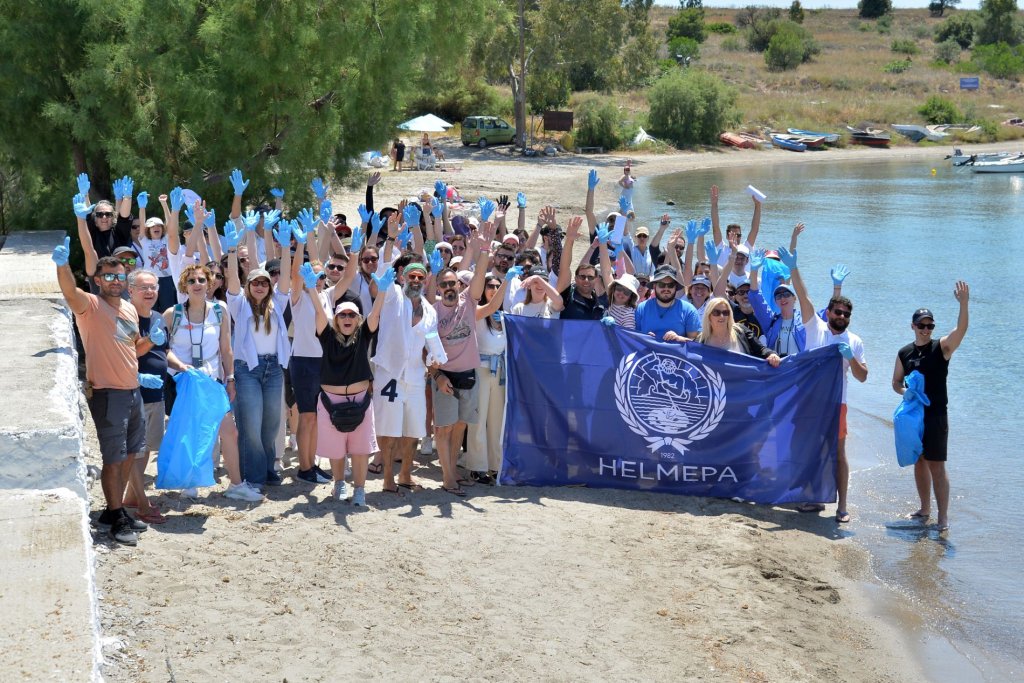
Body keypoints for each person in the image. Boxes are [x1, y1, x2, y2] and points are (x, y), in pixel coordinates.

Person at [53, 239, 150, 545]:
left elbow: (132, 347)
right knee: (113, 458)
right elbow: (70, 292)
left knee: (130, 454)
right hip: (109, 394)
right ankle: (117, 517)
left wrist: (152, 343)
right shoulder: (91, 306)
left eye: (120, 276)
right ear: (98, 280)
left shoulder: (129, 309)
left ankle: (113, 510)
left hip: (133, 391)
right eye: (108, 276)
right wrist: (62, 266)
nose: (115, 281)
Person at [164, 262, 262, 502]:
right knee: (190, 432)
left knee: (229, 431)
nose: (197, 284)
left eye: (201, 280)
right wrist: (181, 366)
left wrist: (230, 379)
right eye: (191, 281)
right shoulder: (172, 314)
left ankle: (236, 484)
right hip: (184, 381)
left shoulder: (220, 311)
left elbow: (226, 349)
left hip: (212, 380)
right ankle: (189, 483)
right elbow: (163, 349)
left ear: (209, 283)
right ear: (184, 285)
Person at [786, 245, 867, 523]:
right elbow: (803, 296)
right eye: (837, 312)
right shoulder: (815, 328)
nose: (841, 317)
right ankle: (812, 496)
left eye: (846, 314)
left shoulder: (853, 341)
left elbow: (863, 376)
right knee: (807, 449)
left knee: (838, 454)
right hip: (809, 401)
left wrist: (850, 358)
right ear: (828, 312)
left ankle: (842, 506)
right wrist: (794, 268)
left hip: (836, 405)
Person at [303, 263, 390, 506]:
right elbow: (319, 313)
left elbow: (375, 315)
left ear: (358, 319)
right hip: (330, 403)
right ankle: (339, 484)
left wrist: (382, 292)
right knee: (336, 449)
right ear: (336, 319)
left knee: (360, 450)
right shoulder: (327, 336)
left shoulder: (363, 335)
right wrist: (312, 290)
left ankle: (359, 490)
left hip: (360, 402)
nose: (347, 318)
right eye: (342, 315)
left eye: (352, 315)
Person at [892, 283, 969, 533]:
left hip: (936, 415)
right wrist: (905, 392)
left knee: (936, 464)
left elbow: (961, 330)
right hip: (914, 417)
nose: (926, 329)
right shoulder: (904, 353)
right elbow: (895, 382)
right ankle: (924, 509)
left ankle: (943, 517)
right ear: (913, 326)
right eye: (921, 325)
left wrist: (964, 304)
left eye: (930, 326)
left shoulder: (941, 348)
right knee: (919, 461)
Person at [430, 227, 501, 495]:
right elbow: (427, 350)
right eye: (444, 284)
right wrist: (438, 376)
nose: (449, 288)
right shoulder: (433, 312)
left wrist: (483, 250)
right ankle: (448, 477)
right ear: (439, 288)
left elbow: (480, 277)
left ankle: (453, 471)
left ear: (460, 286)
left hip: (468, 374)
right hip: (445, 376)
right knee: (443, 429)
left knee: (460, 426)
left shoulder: (468, 303)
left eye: (453, 283)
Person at [225, 219, 292, 491]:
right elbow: (232, 281)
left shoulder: (278, 303)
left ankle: (266, 470)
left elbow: (285, 279)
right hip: (247, 370)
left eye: (265, 283)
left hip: (273, 368)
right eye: (256, 283)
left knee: (271, 424)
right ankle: (253, 477)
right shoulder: (238, 304)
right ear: (249, 285)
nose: (261, 286)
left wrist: (285, 249)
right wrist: (232, 251)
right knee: (251, 424)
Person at [372, 261, 437, 496]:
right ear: (402, 278)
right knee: (389, 429)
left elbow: (431, 338)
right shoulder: (394, 298)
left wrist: (436, 357)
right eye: (411, 277)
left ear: (426, 281)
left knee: (414, 429)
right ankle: (388, 478)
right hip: (390, 374)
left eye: (420, 277)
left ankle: (406, 474)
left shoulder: (430, 311)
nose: (416, 281)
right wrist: (389, 244)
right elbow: (383, 274)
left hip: (416, 376)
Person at [124, 269, 169, 524]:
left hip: (156, 393)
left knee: (148, 448)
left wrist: (182, 368)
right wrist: (151, 339)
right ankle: (142, 504)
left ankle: (131, 497)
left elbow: (165, 352)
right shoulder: (124, 317)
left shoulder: (158, 317)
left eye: (153, 287)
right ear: (130, 290)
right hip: (134, 394)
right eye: (144, 287)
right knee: (135, 451)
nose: (150, 291)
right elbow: (128, 353)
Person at [466, 271, 515, 484]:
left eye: (497, 286)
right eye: (490, 286)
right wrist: (506, 281)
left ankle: (496, 465)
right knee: (478, 419)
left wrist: (505, 320)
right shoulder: (477, 312)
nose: (494, 290)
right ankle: (477, 466)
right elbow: (491, 306)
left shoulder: (506, 316)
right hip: (481, 368)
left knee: (497, 420)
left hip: (500, 371)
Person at [697, 297, 780, 366]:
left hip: (742, 380)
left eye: (725, 312)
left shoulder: (741, 331)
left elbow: (761, 349)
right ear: (708, 316)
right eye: (716, 312)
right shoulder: (700, 340)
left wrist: (771, 354)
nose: (721, 316)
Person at [557, 215, 607, 320]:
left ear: (596, 279)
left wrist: (602, 245)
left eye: (590, 277)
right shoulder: (567, 295)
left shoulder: (600, 305)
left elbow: (607, 272)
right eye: (582, 277)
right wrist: (569, 240)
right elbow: (565, 267)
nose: (586, 280)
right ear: (575, 278)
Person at [635, 264, 701, 343]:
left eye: (670, 285)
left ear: (675, 287)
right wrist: (644, 338)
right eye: (661, 285)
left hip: (676, 351)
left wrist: (679, 338)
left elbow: (696, 343)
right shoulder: (641, 308)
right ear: (654, 286)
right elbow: (634, 339)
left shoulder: (689, 310)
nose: (666, 289)